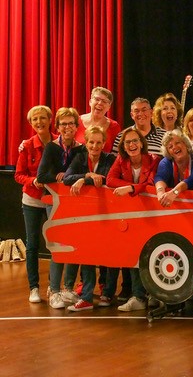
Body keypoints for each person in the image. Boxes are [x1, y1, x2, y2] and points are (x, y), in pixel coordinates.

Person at [62, 126, 116, 310]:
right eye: (91, 142)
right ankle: (86, 296)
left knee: (109, 255)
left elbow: (108, 179)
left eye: (99, 142)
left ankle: (107, 293)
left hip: (109, 213)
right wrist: (87, 175)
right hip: (87, 215)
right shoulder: (80, 158)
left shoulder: (110, 159)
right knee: (87, 253)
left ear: (104, 143)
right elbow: (66, 178)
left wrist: (84, 180)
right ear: (85, 143)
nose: (95, 146)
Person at [107, 127, 160, 312]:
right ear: (123, 146)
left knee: (152, 254)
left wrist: (130, 189)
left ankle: (154, 294)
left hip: (152, 214)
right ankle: (138, 296)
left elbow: (150, 184)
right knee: (133, 253)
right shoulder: (121, 160)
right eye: (128, 142)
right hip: (131, 216)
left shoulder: (153, 160)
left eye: (135, 141)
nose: (132, 145)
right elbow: (110, 180)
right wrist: (133, 186)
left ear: (141, 143)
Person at [37, 108, 84, 309]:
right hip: (54, 202)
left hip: (74, 202)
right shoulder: (51, 147)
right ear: (57, 127)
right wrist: (60, 176)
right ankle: (54, 290)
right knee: (58, 245)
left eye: (71, 123)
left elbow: (83, 173)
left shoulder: (81, 149)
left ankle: (68, 288)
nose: (67, 127)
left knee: (73, 245)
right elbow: (41, 176)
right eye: (63, 124)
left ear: (76, 126)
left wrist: (67, 177)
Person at [14, 105, 55, 304]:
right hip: (31, 200)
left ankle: (53, 287)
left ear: (50, 119)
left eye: (42, 118)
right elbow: (18, 175)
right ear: (31, 124)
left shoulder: (59, 143)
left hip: (54, 200)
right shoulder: (27, 146)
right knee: (32, 245)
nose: (39, 122)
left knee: (55, 244)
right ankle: (34, 288)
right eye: (35, 119)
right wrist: (32, 181)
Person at [154, 130, 193, 206]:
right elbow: (160, 177)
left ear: (185, 144)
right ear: (168, 152)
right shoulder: (166, 162)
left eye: (177, 143)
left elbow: (192, 179)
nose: (175, 147)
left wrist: (175, 192)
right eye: (170, 147)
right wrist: (160, 192)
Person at [75, 86, 121, 153]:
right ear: (90, 102)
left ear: (109, 107)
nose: (100, 103)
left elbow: (117, 154)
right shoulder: (76, 122)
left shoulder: (114, 126)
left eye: (104, 101)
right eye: (97, 99)